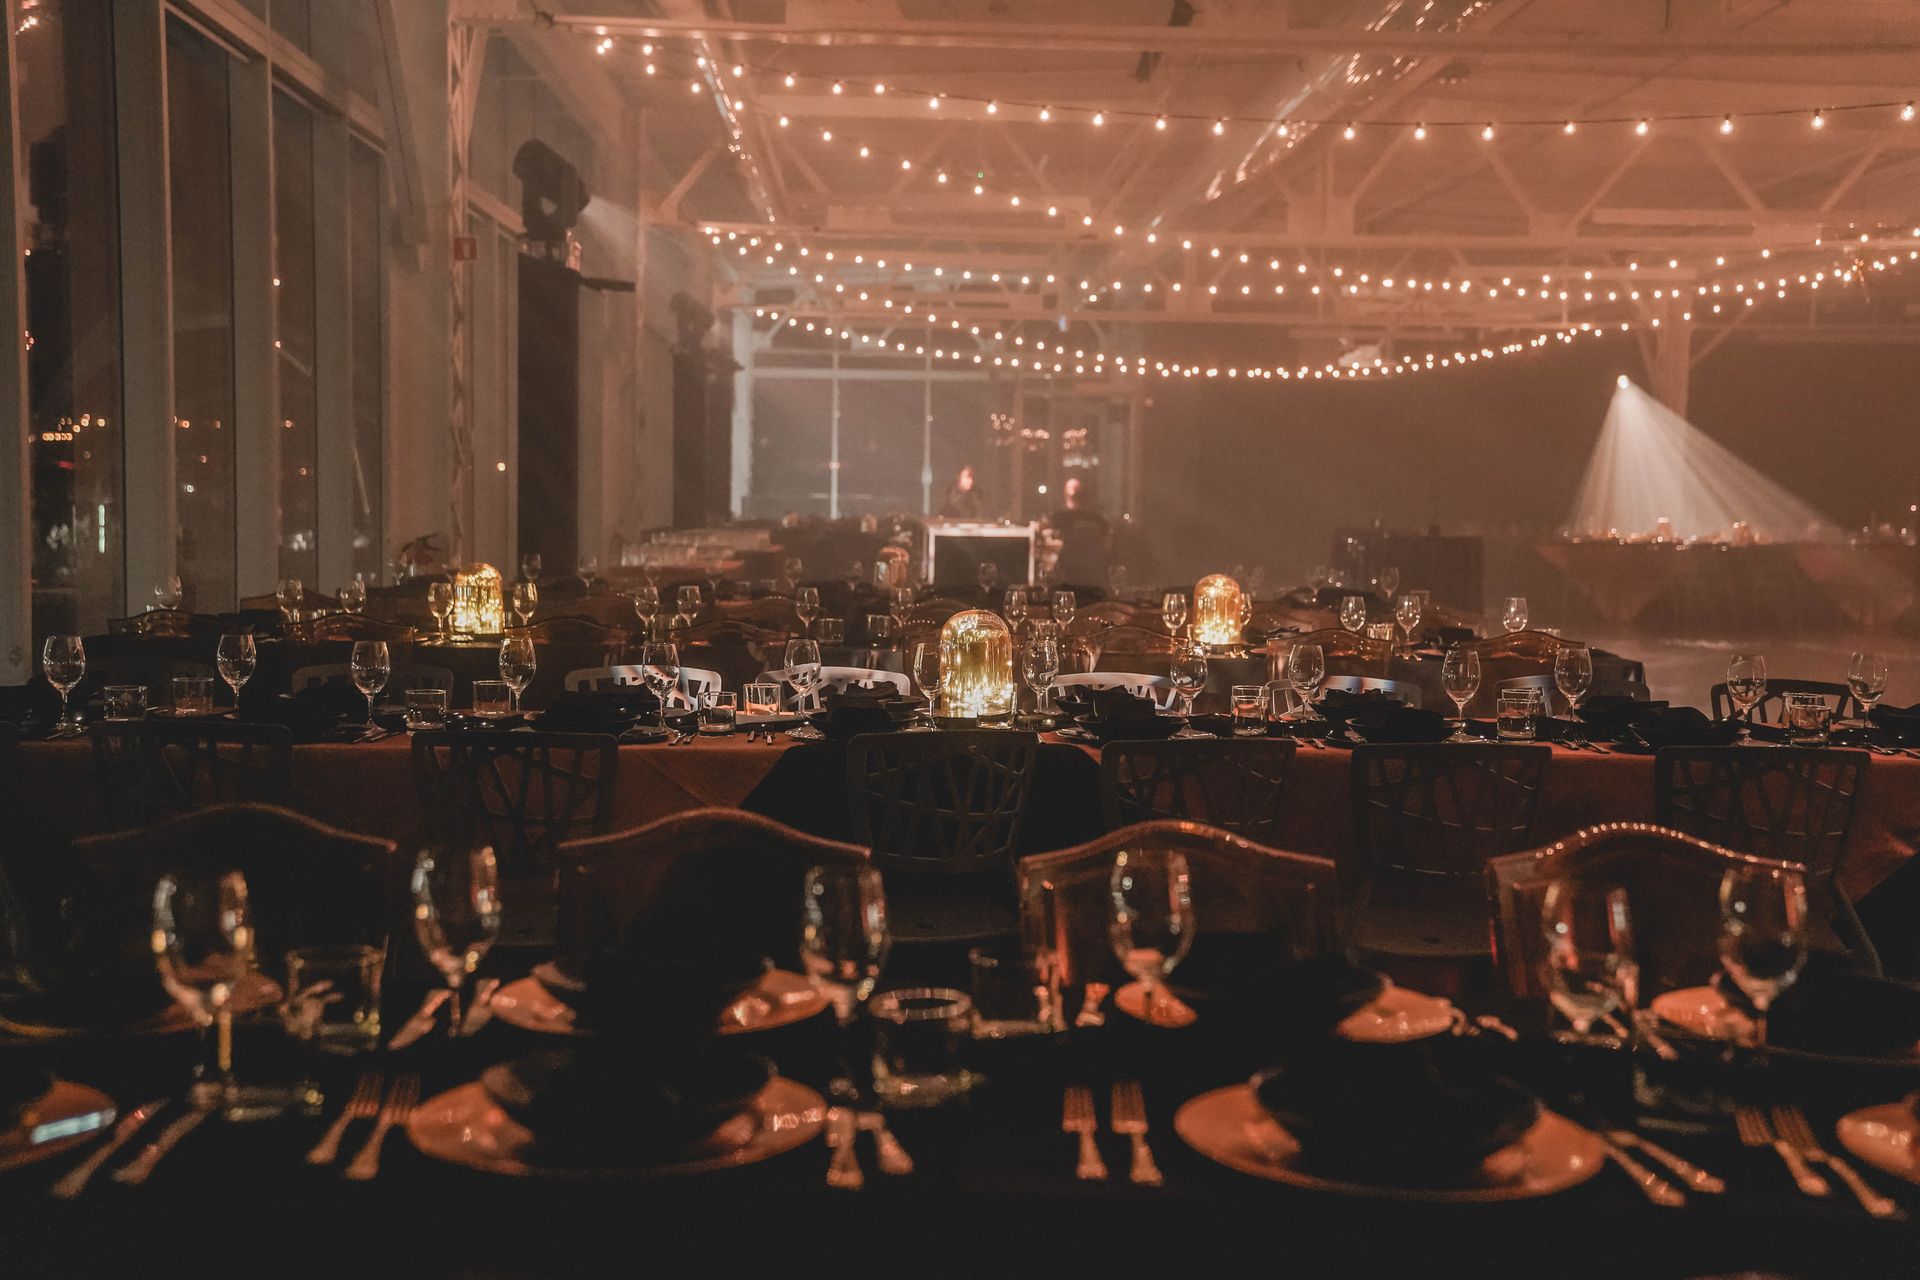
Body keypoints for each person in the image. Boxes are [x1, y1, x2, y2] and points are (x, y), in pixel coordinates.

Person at [1046, 475, 1111, 587]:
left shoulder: (1062, 518)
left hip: (1071, 573)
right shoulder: (1099, 519)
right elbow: (1107, 547)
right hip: (1094, 575)